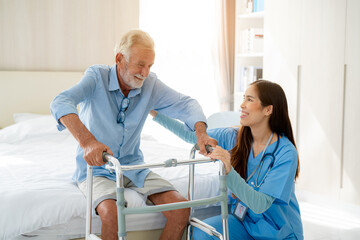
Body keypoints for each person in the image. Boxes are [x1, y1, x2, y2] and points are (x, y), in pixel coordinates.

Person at [50, 29, 217, 240]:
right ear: (119, 59)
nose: (145, 72)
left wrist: (200, 133)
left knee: (181, 210)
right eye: (140, 64)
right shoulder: (96, 77)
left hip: (134, 168)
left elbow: (186, 104)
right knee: (112, 214)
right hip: (98, 170)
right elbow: (60, 101)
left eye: (150, 66)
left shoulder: (151, 85)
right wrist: (88, 143)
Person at [149, 80, 303, 239]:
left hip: (278, 231)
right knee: (202, 234)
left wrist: (228, 169)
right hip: (246, 223)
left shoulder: (285, 153)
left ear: (268, 109)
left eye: (250, 99)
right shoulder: (235, 136)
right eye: (243, 98)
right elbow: (190, 135)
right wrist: (151, 109)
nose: (242, 105)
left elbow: (259, 205)